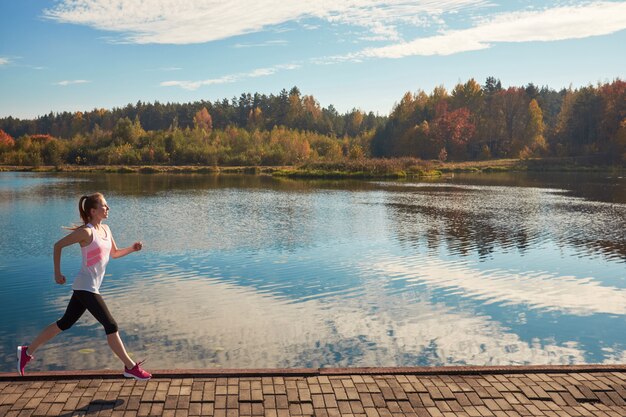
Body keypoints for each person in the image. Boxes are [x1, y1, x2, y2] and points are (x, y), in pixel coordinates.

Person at [17, 193, 152, 380]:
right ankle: (130, 367)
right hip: (85, 287)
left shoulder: (106, 229)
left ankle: (26, 351)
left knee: (64, 323)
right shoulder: (86, 232)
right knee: (111, 324)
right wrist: (57, 272)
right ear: (93, 211)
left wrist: (132, 248)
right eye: (104, 205)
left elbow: (114, 253)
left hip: (91, 287)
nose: (108, 208)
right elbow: (58, 246)